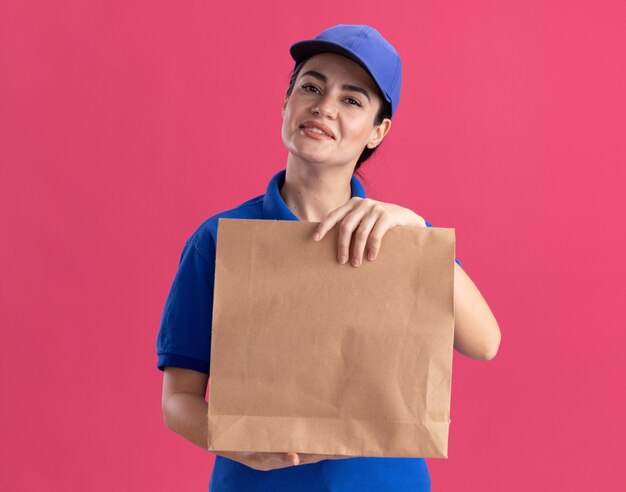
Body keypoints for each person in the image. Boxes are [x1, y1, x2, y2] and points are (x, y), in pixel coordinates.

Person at [156, 24, 501, 491]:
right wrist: (239, 443)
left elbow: (484, 343)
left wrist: (417, 229)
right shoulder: (221, 240)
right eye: (311, 86)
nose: (324, 107)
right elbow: (179, 398)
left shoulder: (396, 237)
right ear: (286, 102)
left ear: (378, 132)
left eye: (352, 100)